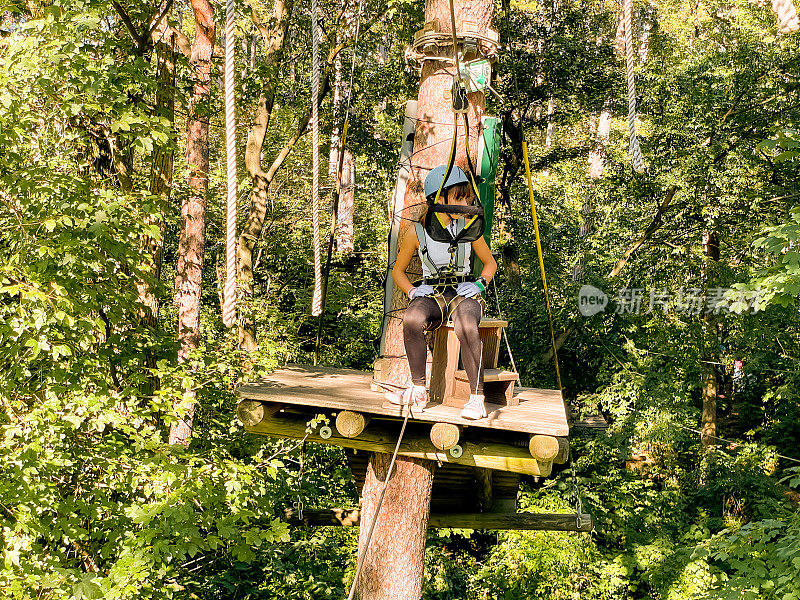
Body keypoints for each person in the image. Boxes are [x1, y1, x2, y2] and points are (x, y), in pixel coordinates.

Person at [391, 165, 497, 419]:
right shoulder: (417, 232)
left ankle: (477, 397)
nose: (464, 203)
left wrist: (479, 284)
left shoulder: (470, 229)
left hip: (463, 291)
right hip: (432, 293)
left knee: (467, 325)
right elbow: (398, 270)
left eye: (466, 198)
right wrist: (412, 291)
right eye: (458, 197)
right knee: (412, 319)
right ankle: (418, 388)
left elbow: (490, 263)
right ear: (439, 199)